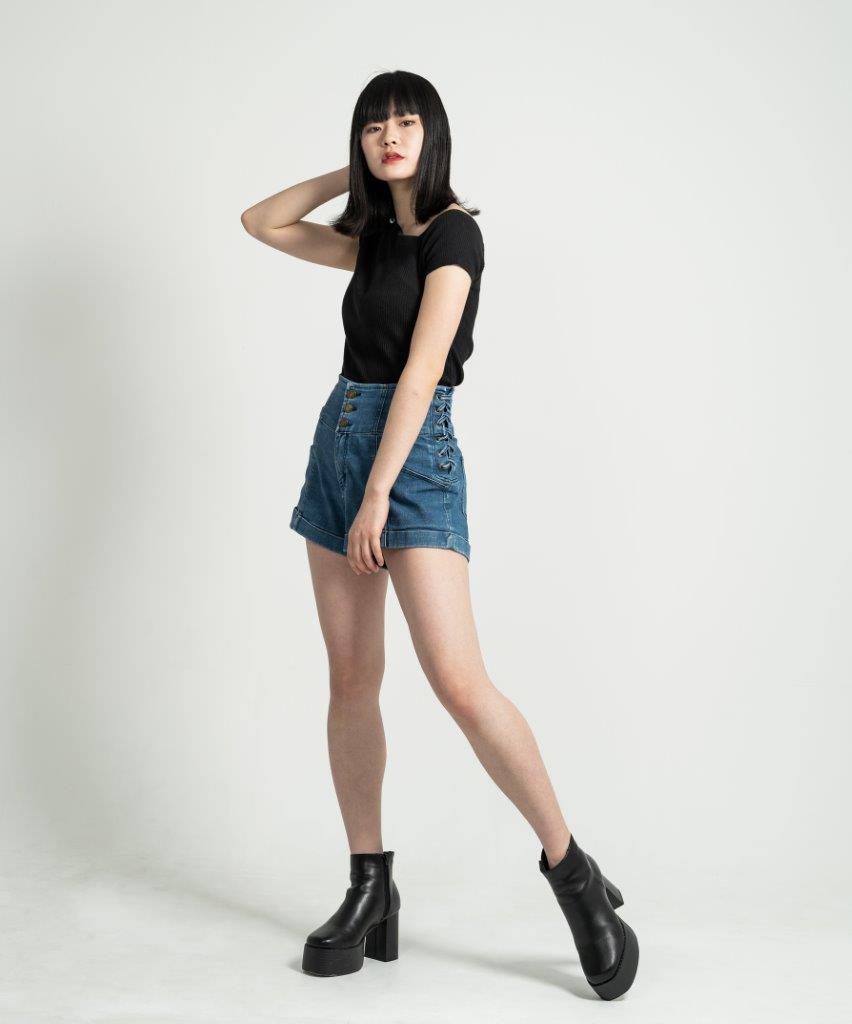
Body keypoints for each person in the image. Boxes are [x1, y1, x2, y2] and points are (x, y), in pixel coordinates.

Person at [241, 70, 639, 1000]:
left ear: (435, 133)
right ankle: (369, 885)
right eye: (373, 126)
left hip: (412, 460)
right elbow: (261, 221)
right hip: (340, 440)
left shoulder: (457, 234)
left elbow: (422, 373)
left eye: (406, 122)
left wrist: (379, 493)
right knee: (351, 680)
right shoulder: (371, 236)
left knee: (460, 682)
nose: (390, 135)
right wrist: (352, 176)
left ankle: (573, 874)